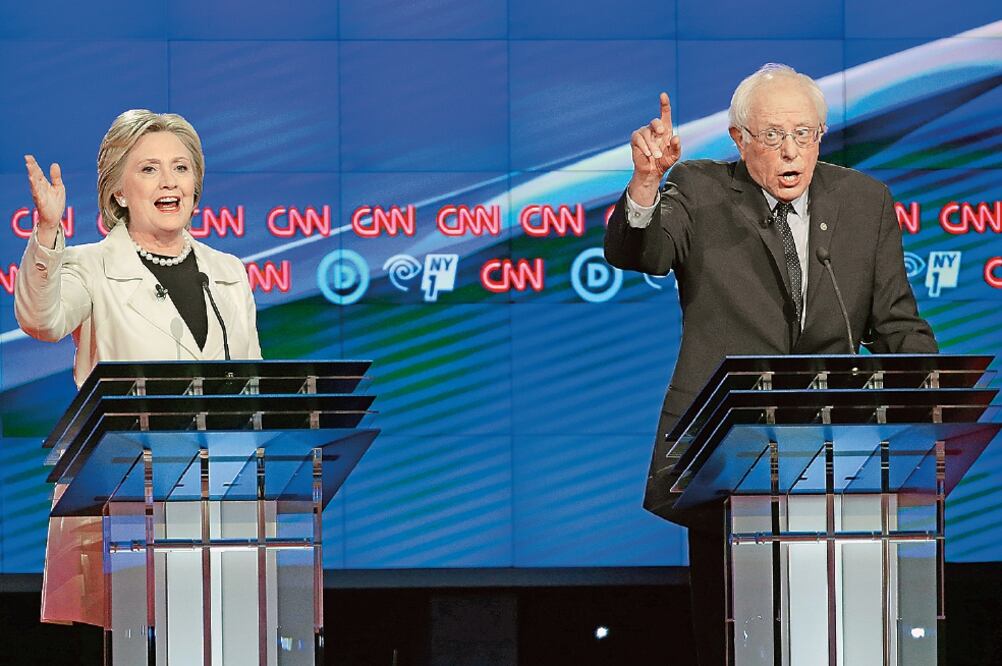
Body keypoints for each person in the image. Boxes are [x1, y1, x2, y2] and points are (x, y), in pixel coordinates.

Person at [603, 64, 937, 665]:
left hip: (839, 463)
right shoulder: (700, 189)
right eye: (774, 135)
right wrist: (647, 185)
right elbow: (642, 252)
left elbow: (896, 325)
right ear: (739, 138)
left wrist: (933, 397)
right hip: (727, 460)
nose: (791, 152)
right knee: (736, 639)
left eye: (804, 134)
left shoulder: (864, 202)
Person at [15, 110, 262, 626]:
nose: (169, 181)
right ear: (119, 192)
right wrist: (48, 230)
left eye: (180, 168)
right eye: (149, 169)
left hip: (220, 498)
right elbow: (42, 320)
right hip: (126, 495)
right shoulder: (89, 266)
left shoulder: (228, 273)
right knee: (141, 637)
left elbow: (253, 389)